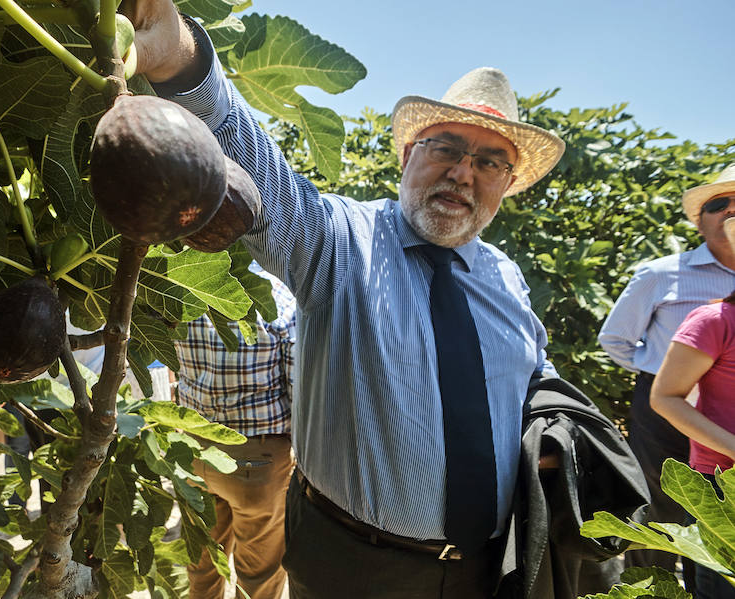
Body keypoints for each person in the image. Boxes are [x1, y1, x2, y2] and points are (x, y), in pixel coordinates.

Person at [122, 4, 574, 596]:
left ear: (508, 184)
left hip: (486, 571)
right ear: (407, 152)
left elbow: (535, 370)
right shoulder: (342, 242)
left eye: (490, 161)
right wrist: (179, 59)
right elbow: (253, 164)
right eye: (445, 148)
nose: (464, 174)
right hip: (354, 569)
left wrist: (556, 430)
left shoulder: (507, 279)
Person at [598, 164, 735, 580]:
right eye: (718, 204)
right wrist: (659, 372)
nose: (730, 211)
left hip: (724, 410)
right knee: (660, 506)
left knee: (718, 514)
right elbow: (616, 339)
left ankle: (705, 584)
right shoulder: (662, 274)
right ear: (698, 220)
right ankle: (649, 586)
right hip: (665, 405)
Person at [173, 261, 296, 599]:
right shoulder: (277, 298)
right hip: (255, 459)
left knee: (200, 565)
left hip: (193, 447)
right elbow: (297, 387)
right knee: (260, 577)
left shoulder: (186, 291)